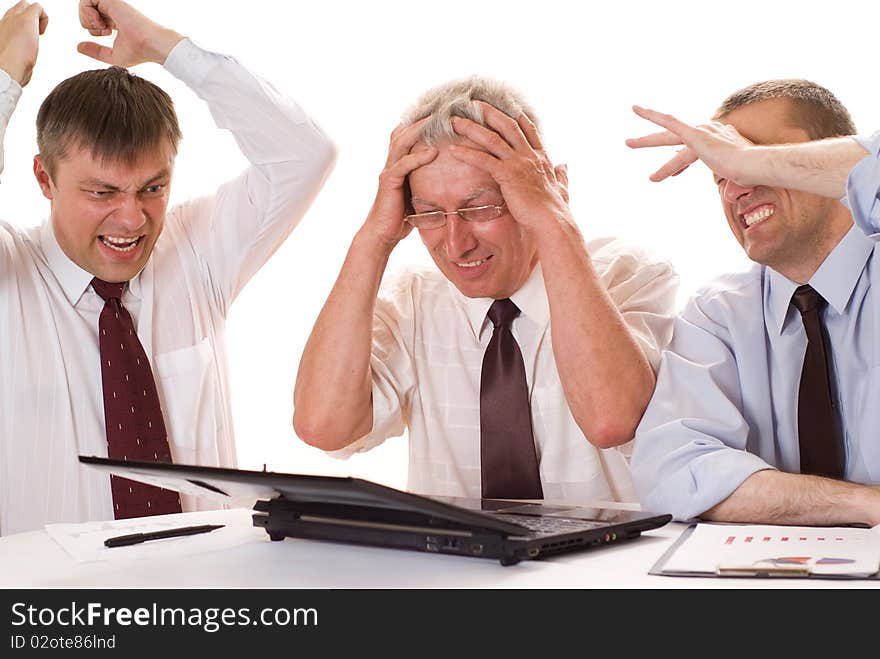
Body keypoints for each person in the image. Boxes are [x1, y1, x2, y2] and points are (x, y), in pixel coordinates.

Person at [0, 0, 335, 535]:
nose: (132, 219)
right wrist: (4, 74)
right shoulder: (9, 277)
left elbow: (306, 154)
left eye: (152, 188)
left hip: (204, 604)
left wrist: (166, 47)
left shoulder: (194, 250)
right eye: (102, 191)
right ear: (44, 179)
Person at [294, 76, 677, 503]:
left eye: (481, 208)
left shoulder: (629, 274)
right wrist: (373, 241)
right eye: (431, 214)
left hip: (602, 567)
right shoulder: (413, 301)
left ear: (549, 189)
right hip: (458, 568)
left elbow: (612, 420)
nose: (457, 244)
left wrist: (555, 221)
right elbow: (323, 427)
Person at [626, 79, 880, 525]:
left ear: (826, 160)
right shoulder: (719, 313)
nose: (733, 188)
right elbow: (670, 470)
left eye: (756, 157)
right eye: (719, 173)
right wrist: (864, 505)